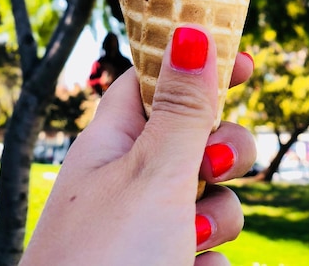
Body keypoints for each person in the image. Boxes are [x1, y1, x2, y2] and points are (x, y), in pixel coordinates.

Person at [20, 24, 257, 266]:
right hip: (111, 113)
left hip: (143, 113)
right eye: (109, 42)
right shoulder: (100, 63)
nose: (110, 45)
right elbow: (94, 82)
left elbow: (136, 74)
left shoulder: (122, 61)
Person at [89, 31, 133, 96]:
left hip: (124, 95)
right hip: (106, 96)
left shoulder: (125, 62)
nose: (112, 45)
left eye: (114, 42)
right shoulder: (99, 63)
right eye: (110, 42)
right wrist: (100, 81)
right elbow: (90, 82)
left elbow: (133, 78)